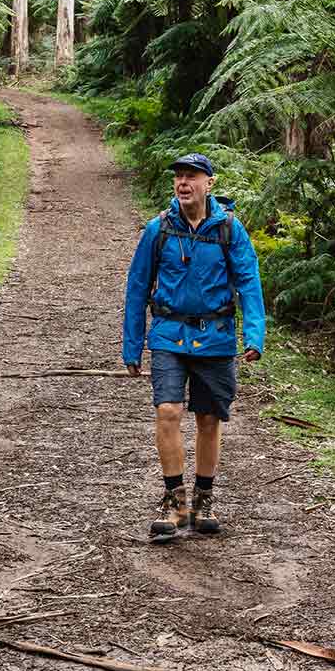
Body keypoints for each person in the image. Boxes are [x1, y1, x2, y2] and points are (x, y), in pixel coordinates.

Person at [122, 152, 265, 543]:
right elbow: (137, 288)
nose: (183, 183)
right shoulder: (159, 229)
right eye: (179, 177)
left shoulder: (229, 230)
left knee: (207, 419)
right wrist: (132, 346)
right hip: (169, 335)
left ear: (209, 183)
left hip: (216, 337)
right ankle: (174, 499)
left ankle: (203, 498)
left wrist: (254, 335)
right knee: (168, 410)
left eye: (192, 177)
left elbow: (249, 283)